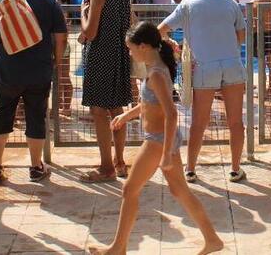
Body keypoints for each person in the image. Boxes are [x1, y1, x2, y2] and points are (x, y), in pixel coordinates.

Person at [89, 22, 223, 255]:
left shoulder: (156, 74)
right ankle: (212, 239)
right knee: (180, 191)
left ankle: (117, 249)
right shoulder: (155, 68)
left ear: (143, 47)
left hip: (158, 141)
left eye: (130, 49)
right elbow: (149, 104)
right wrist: (126, 115)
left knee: (129, 190)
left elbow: (171, 114)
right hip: (161, 139)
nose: (129, 53)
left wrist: (166, 155)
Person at [159, 0, 247, 183]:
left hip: (204, 67)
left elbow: (162, 29)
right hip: (231, 64)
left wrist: (172, 43)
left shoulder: (188, 6)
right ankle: (236, 168)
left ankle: (190, 169)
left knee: (199, 122)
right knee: (235, 122)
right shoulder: (230, 4)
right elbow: (241, 36)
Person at [0, 0, 67, 185]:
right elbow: (60, 37)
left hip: (7, 66)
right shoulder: (49, 1)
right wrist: (56, 61)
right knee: (36, 115)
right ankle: (35, 166)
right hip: (39, 67)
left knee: (2, 112)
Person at [79, 0, 135, 183]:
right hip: (119, 56)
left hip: (100, 57)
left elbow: (90, 33)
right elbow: (132, 21)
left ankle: (106, 167)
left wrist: (83, 14)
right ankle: (119, 161)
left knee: (99, 112)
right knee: (116, 109)